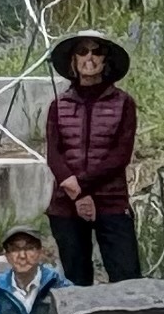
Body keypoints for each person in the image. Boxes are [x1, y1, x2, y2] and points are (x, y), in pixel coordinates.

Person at [41, 31, 144, 284]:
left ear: (106, 60)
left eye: (97, 51)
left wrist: (83, 188)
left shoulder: (124, 103)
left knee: (127, 277)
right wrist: (76, 194)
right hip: (66, 203)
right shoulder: (59, 104)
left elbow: (120, 155)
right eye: (83, 51)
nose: (90, 57)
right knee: (76, 281)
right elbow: (54, 154)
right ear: (73, 60)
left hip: (111, 200)